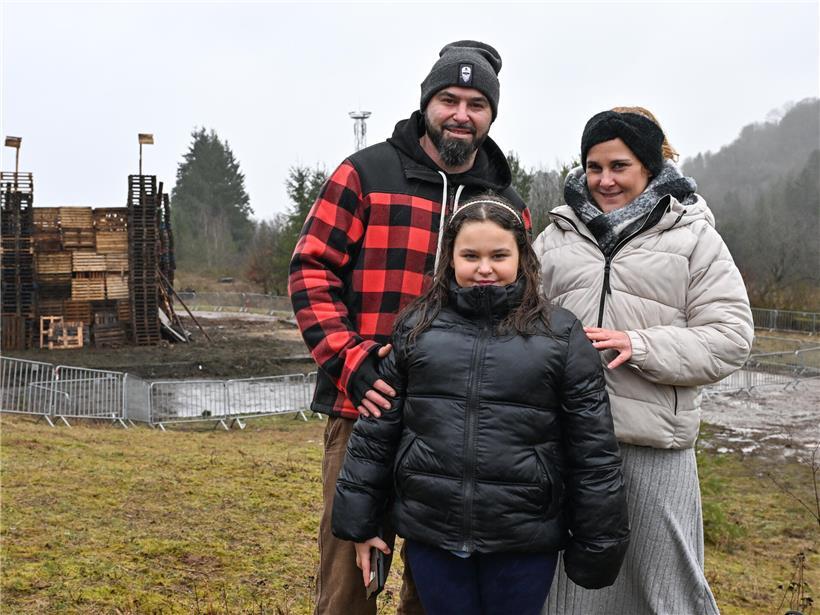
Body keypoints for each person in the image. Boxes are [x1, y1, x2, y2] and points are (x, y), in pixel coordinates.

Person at [288, 40, 530, 615]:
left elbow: (522, 305)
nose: (460, 114)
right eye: (448, 98)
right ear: (427, 103)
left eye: (476, 103)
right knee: (349, 585)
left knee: (437, 592)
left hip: (455, 429)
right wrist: (351, 360)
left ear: (491, 115)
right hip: (363, 410)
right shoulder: (365, 174)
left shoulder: (505, 204)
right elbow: (309, 269)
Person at [331, 196, 630, 615]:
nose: (484, 267)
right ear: (449, 258)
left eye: (499, 255)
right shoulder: (417, 327)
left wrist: (598, 541)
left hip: (523, 539)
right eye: (470, 255)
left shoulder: (561, 335)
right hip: (433, 534)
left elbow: (593, 449)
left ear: (522, 257)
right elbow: (376, 434)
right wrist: (360, 523)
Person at [534, 107, 754, 614]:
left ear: (650, 168)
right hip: (568, 443)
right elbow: (522, 321)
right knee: (570, 593)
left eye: (619, 166)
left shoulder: (695, 237)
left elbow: (731, 336)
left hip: (654, 447)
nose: (604, 180)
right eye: (594, 167)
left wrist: (641, 345)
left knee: (666, 591)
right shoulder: (555, 238)